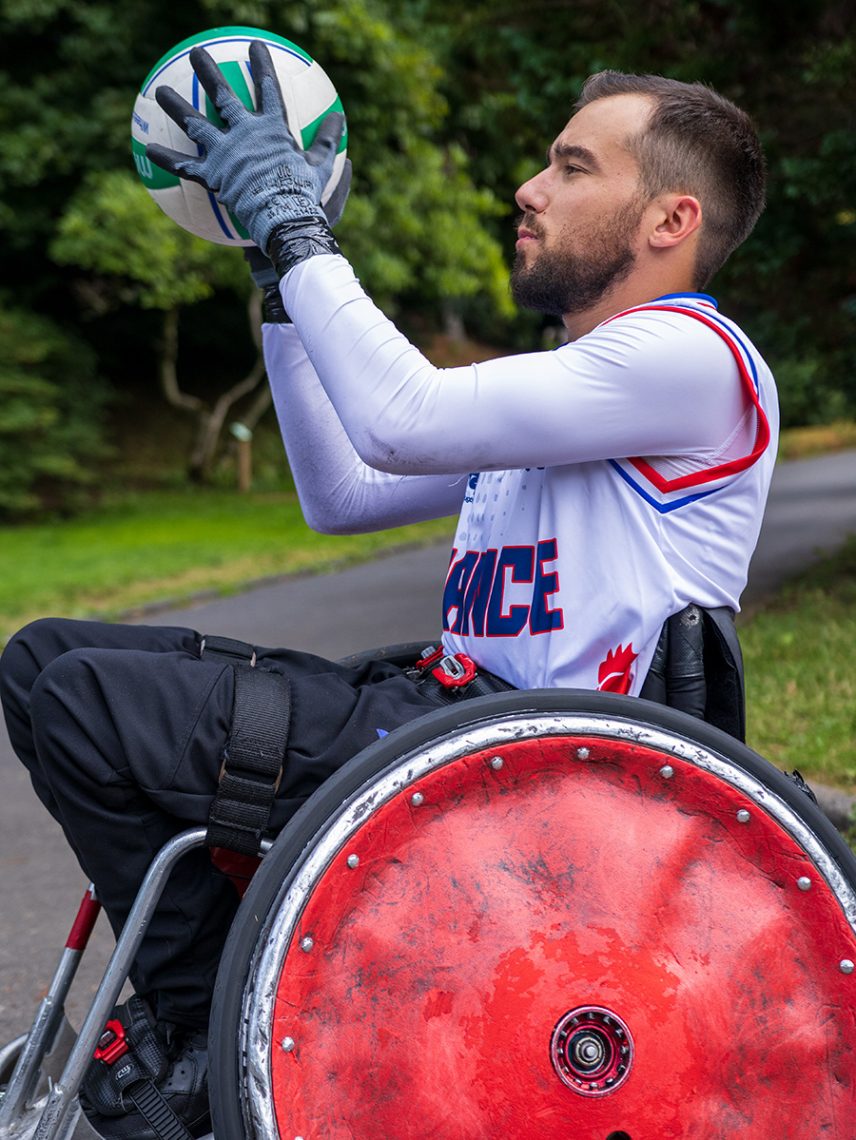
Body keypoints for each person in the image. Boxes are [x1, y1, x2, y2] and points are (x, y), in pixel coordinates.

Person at [0, 47, 776, 1140]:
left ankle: (217, 1042)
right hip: (446, 722)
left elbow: (400, 416)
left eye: (571, 166)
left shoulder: (691, 360)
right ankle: (227, 1008)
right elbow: (345, 489)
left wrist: (293, 221)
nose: (530, 188)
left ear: (669, 220)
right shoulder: (571, 392)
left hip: (543, 778)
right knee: (39, 662)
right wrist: (279, 274)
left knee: (89, 704)